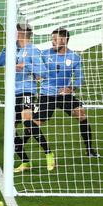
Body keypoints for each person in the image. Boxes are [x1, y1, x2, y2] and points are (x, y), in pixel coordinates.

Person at [0, 23, 55, 173]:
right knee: (10, 128)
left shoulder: (32, 51)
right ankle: (25, 162)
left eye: (16, 31)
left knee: (27, 120)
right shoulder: (15, 49)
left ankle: (49, 154)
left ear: (22, 34)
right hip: (12, 93)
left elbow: (43, 72)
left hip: (26, 91)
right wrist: (7, 48)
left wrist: (25, 66)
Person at [40, 28, 99, 157]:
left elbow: (80, 78)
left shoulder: (74, 57)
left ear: (64, 40)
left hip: (64, 95)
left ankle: (89, 150)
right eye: (52, 39)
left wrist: (70, 89)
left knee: (81, 113)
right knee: (37, 122)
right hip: (47, 94)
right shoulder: (44, 54)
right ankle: (19, 145)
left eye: (55, 39)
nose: (52, 42)